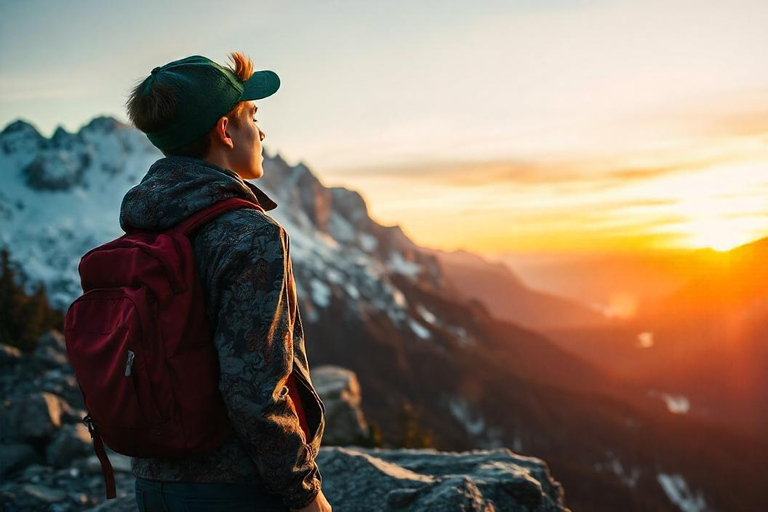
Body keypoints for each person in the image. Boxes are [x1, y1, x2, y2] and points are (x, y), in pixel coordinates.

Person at [120, 52, 332, 512]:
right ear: (224, 130)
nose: (262, 131)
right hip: (234, 488)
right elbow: (255, 389)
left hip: (155, 480)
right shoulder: (251, 233)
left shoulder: (148, 220)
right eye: (252, 115)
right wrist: (303, 491)